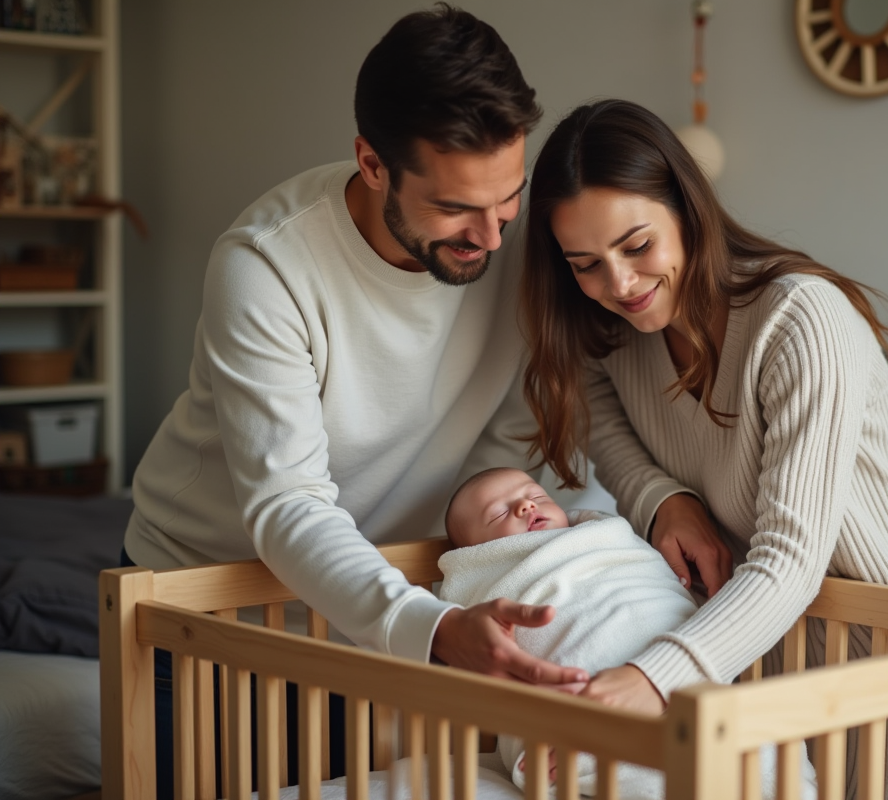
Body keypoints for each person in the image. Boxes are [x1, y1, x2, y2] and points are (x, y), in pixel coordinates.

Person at [123, 6, 585, 795]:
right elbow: (289, 503)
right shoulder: (266, 265)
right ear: (372, 164)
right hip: (206, 603)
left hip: (380, 606)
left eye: (506, 196)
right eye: (453, 208)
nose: (493, 237)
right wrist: (429, 628)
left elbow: (516, 445)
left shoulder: (520, 239)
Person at [520, 99, 888, 797]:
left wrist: (654, 675)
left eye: (637, 246)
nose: (618, 285)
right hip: (761, 644)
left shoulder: (799, 319)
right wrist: (664, 502)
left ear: (688, 210)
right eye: (585, 263)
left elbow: (790, 558)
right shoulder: (608, 335)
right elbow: (607, 436)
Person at [438, 466, 817, 799]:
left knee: (762, 746)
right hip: (589, 704)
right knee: (632, 761)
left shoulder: (608, 540)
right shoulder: (493, 587)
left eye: (536, 495)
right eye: (500, 512)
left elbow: (654, 587)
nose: (526, 506)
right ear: (478, 555)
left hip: (682, 678)